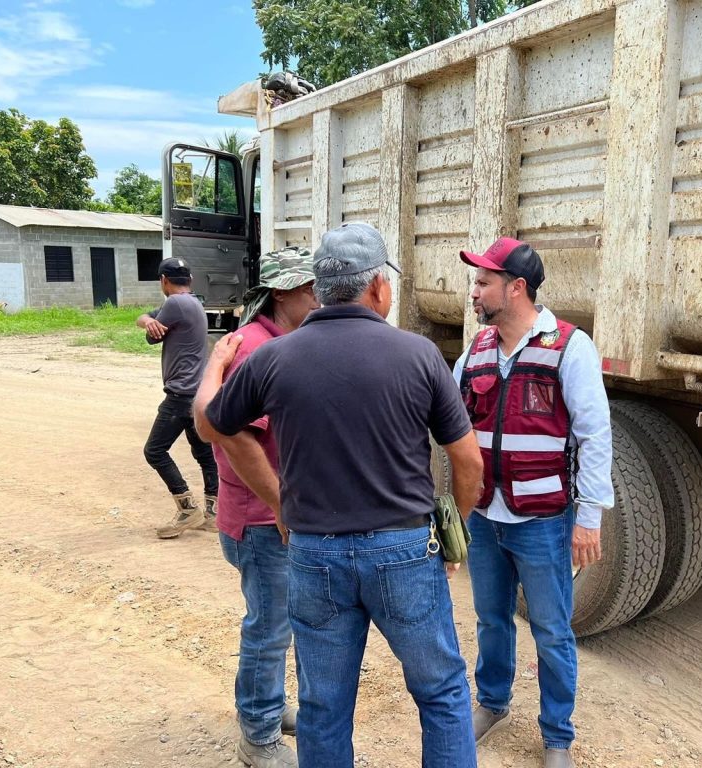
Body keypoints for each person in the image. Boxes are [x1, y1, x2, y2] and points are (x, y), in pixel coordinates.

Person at [195, 222, 484, 768]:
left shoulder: (273, 357)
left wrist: (278, 500)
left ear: (323, 288)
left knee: (323, 707)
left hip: (313, 553)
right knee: (442, 694)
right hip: (404, 553)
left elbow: (214, 426)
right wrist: (455, 530)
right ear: (376, 286)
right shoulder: (418, 354)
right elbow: (468, 461)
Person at [453, 237, 614, 768]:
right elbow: (447, 414)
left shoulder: (570, 346)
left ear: (516, 288)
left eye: (483, 282)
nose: (474, 292)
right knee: (490, 619)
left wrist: (588, 518)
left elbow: (595, 436)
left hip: (542, 521)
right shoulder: (477, 349)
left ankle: (557, 737)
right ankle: (492, 703)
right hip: (486, 517)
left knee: (551, 631)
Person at [195, 248, 319, 768]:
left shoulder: (277, 342)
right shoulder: (254, 349)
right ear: (283, 294)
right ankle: (258, 733)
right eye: (312, 289)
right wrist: (280, 502)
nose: (321, 298)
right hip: (264, 521)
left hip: (273, 518)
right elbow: (231, 436)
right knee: (269, 631)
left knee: (280, 625)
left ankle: (269, 704)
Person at [137, 257, 219, 539]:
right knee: (204, 454)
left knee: (154, 451)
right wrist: (148, 320)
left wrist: (150, 323)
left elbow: (151, 338)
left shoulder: (174, 304)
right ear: (190, 280)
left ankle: (187, 508)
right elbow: (145, 317)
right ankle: (214, 514)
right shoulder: (192, 302)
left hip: (180, 395)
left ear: (163, 281)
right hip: (197, 392)